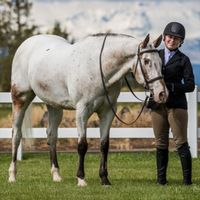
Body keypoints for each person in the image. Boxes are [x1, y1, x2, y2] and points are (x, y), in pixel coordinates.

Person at [147, 22, 195, 185]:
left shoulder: (184, 59)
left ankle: (187, 181)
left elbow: (189, 85)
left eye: (176, 38)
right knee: (160, 143)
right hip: (157, 106)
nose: (172, 40)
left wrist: (172, 87)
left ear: (181, 42)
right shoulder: (155, 55)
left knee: (181, 142)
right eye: (170, 37)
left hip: (176, 106)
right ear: (164, 37)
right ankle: (161, 181)